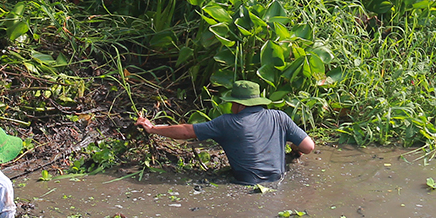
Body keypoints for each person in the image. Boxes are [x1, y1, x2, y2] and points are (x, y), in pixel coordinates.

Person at [135, 80, 316, 185]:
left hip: (246, 185)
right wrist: (293, 147)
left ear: (240, 104)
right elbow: (308, 146)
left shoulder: (228, 122)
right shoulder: (280, 117)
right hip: (277, 181)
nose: (230, 106)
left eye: (232, 102)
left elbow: (186, 132)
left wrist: (153, 129)